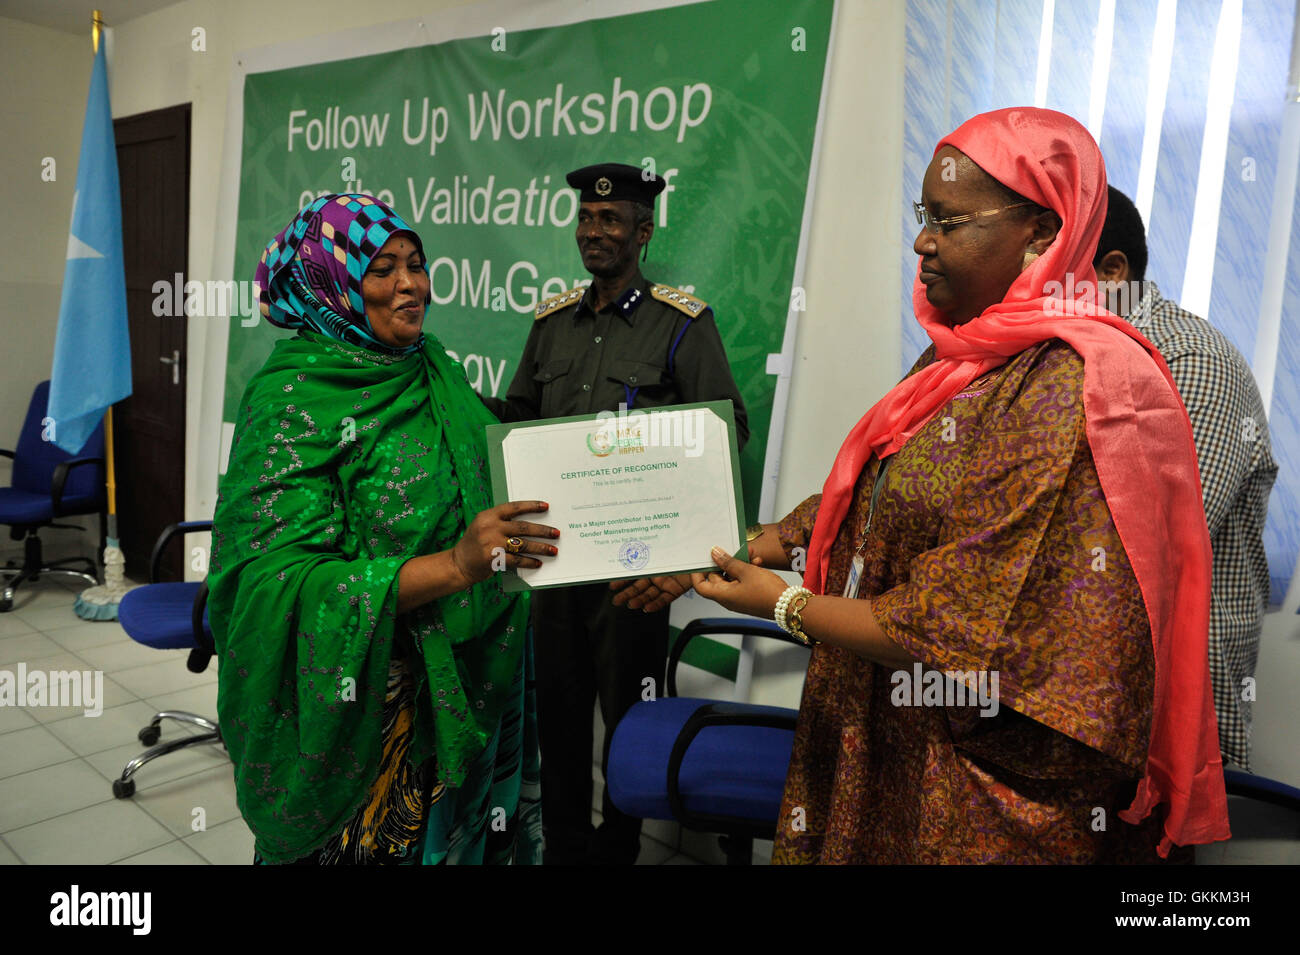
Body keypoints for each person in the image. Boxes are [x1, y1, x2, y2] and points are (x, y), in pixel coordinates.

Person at [621, 108, 1230, 863]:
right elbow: (881, 501)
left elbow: (953, 622)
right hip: (895, 737)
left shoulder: (1080, 384)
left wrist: (781, 603)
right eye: (924, 215)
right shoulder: (969, 355)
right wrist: (736, 545)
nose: (922, 240)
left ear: (1041, 231)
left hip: (992, 791)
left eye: (948, 219)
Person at [209, 194, 560, 864]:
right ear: (333, 285)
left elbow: (499, 485)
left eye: (417, 264)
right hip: (362, 714)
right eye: (382, 269)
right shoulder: (292, 399)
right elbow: (269, 582)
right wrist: (455, 567)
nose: (411, 284)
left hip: (466, 679)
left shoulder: (437, 371)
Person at [481, 162, 749, 864]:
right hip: (554, 561)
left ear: (642, 229)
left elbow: (725, 433)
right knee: (561, 719)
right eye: (584, 219)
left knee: (629, 720)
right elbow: (518, 423)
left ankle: (619, 849)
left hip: (633, 572)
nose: (592, 232)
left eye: (609, 220)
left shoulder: (681, 326)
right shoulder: (550, 325)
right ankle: (567, 848)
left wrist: (655, 479)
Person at [1093, 186, 1277, 770]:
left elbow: (1141, 549)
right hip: (1086, 714)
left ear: (1112, 272)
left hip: (1168, 738)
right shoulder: (1065, 361)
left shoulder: (1187, 361)